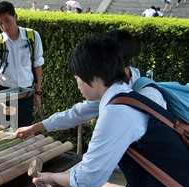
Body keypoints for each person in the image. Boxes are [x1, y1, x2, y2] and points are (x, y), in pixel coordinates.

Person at [23, 35, 189, 187]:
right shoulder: (127, 97)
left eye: (77, 79)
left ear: (93, 78)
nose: (78, 85)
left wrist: (52, 177)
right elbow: (83, 124)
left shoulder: (116, 112)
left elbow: (89, 177)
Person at [15, 29, 167, 139]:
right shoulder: (111, 89)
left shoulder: (148, 95)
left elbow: (159, 143)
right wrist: (36, 127)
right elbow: (78, 113)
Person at [0, 1, 44, 129]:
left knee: (23, 131)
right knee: (0, 131)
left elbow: (38, 64)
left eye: (7, 21)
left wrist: (38, 92)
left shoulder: (32, 37)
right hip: (3, 93)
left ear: (15, 16)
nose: (5, 26)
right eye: (0, 23)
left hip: (25, 93)